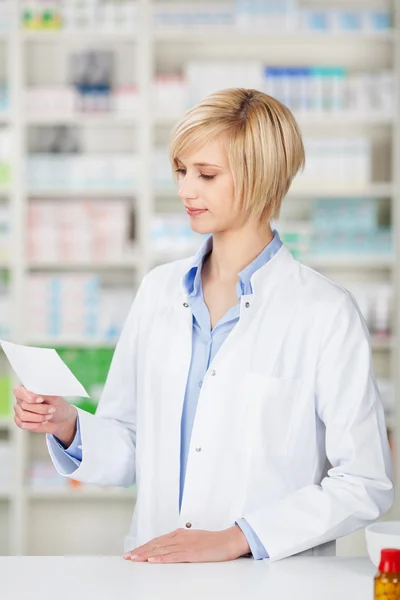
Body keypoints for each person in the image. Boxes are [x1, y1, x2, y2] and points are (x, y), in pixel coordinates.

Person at [13, 88, 394, 563]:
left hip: (270, 583)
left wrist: (237, 537)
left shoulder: (324, 312)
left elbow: (365, 484)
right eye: (181, 170)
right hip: (157, 571)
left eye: (206, 175)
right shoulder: (159, 291)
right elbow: (131, 443)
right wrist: (68, 424)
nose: (185, 190)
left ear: (261, 177)